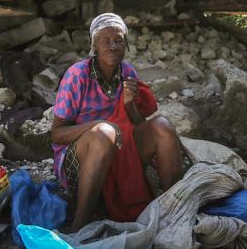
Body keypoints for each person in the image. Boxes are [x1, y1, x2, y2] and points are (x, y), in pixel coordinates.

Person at [51, 13, 183, 231]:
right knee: (103, 133)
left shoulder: (128, 72)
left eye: (118, 40)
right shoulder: (77, 75)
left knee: (162, 126)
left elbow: (138, 125)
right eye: (105, 41)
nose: (112, 46)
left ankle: (175, 209)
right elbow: (56, 135)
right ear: (94, 45)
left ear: (126, 44)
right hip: (81, 160)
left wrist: (130, 104)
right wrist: (98, 126)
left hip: (122, 154)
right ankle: (80, 223)